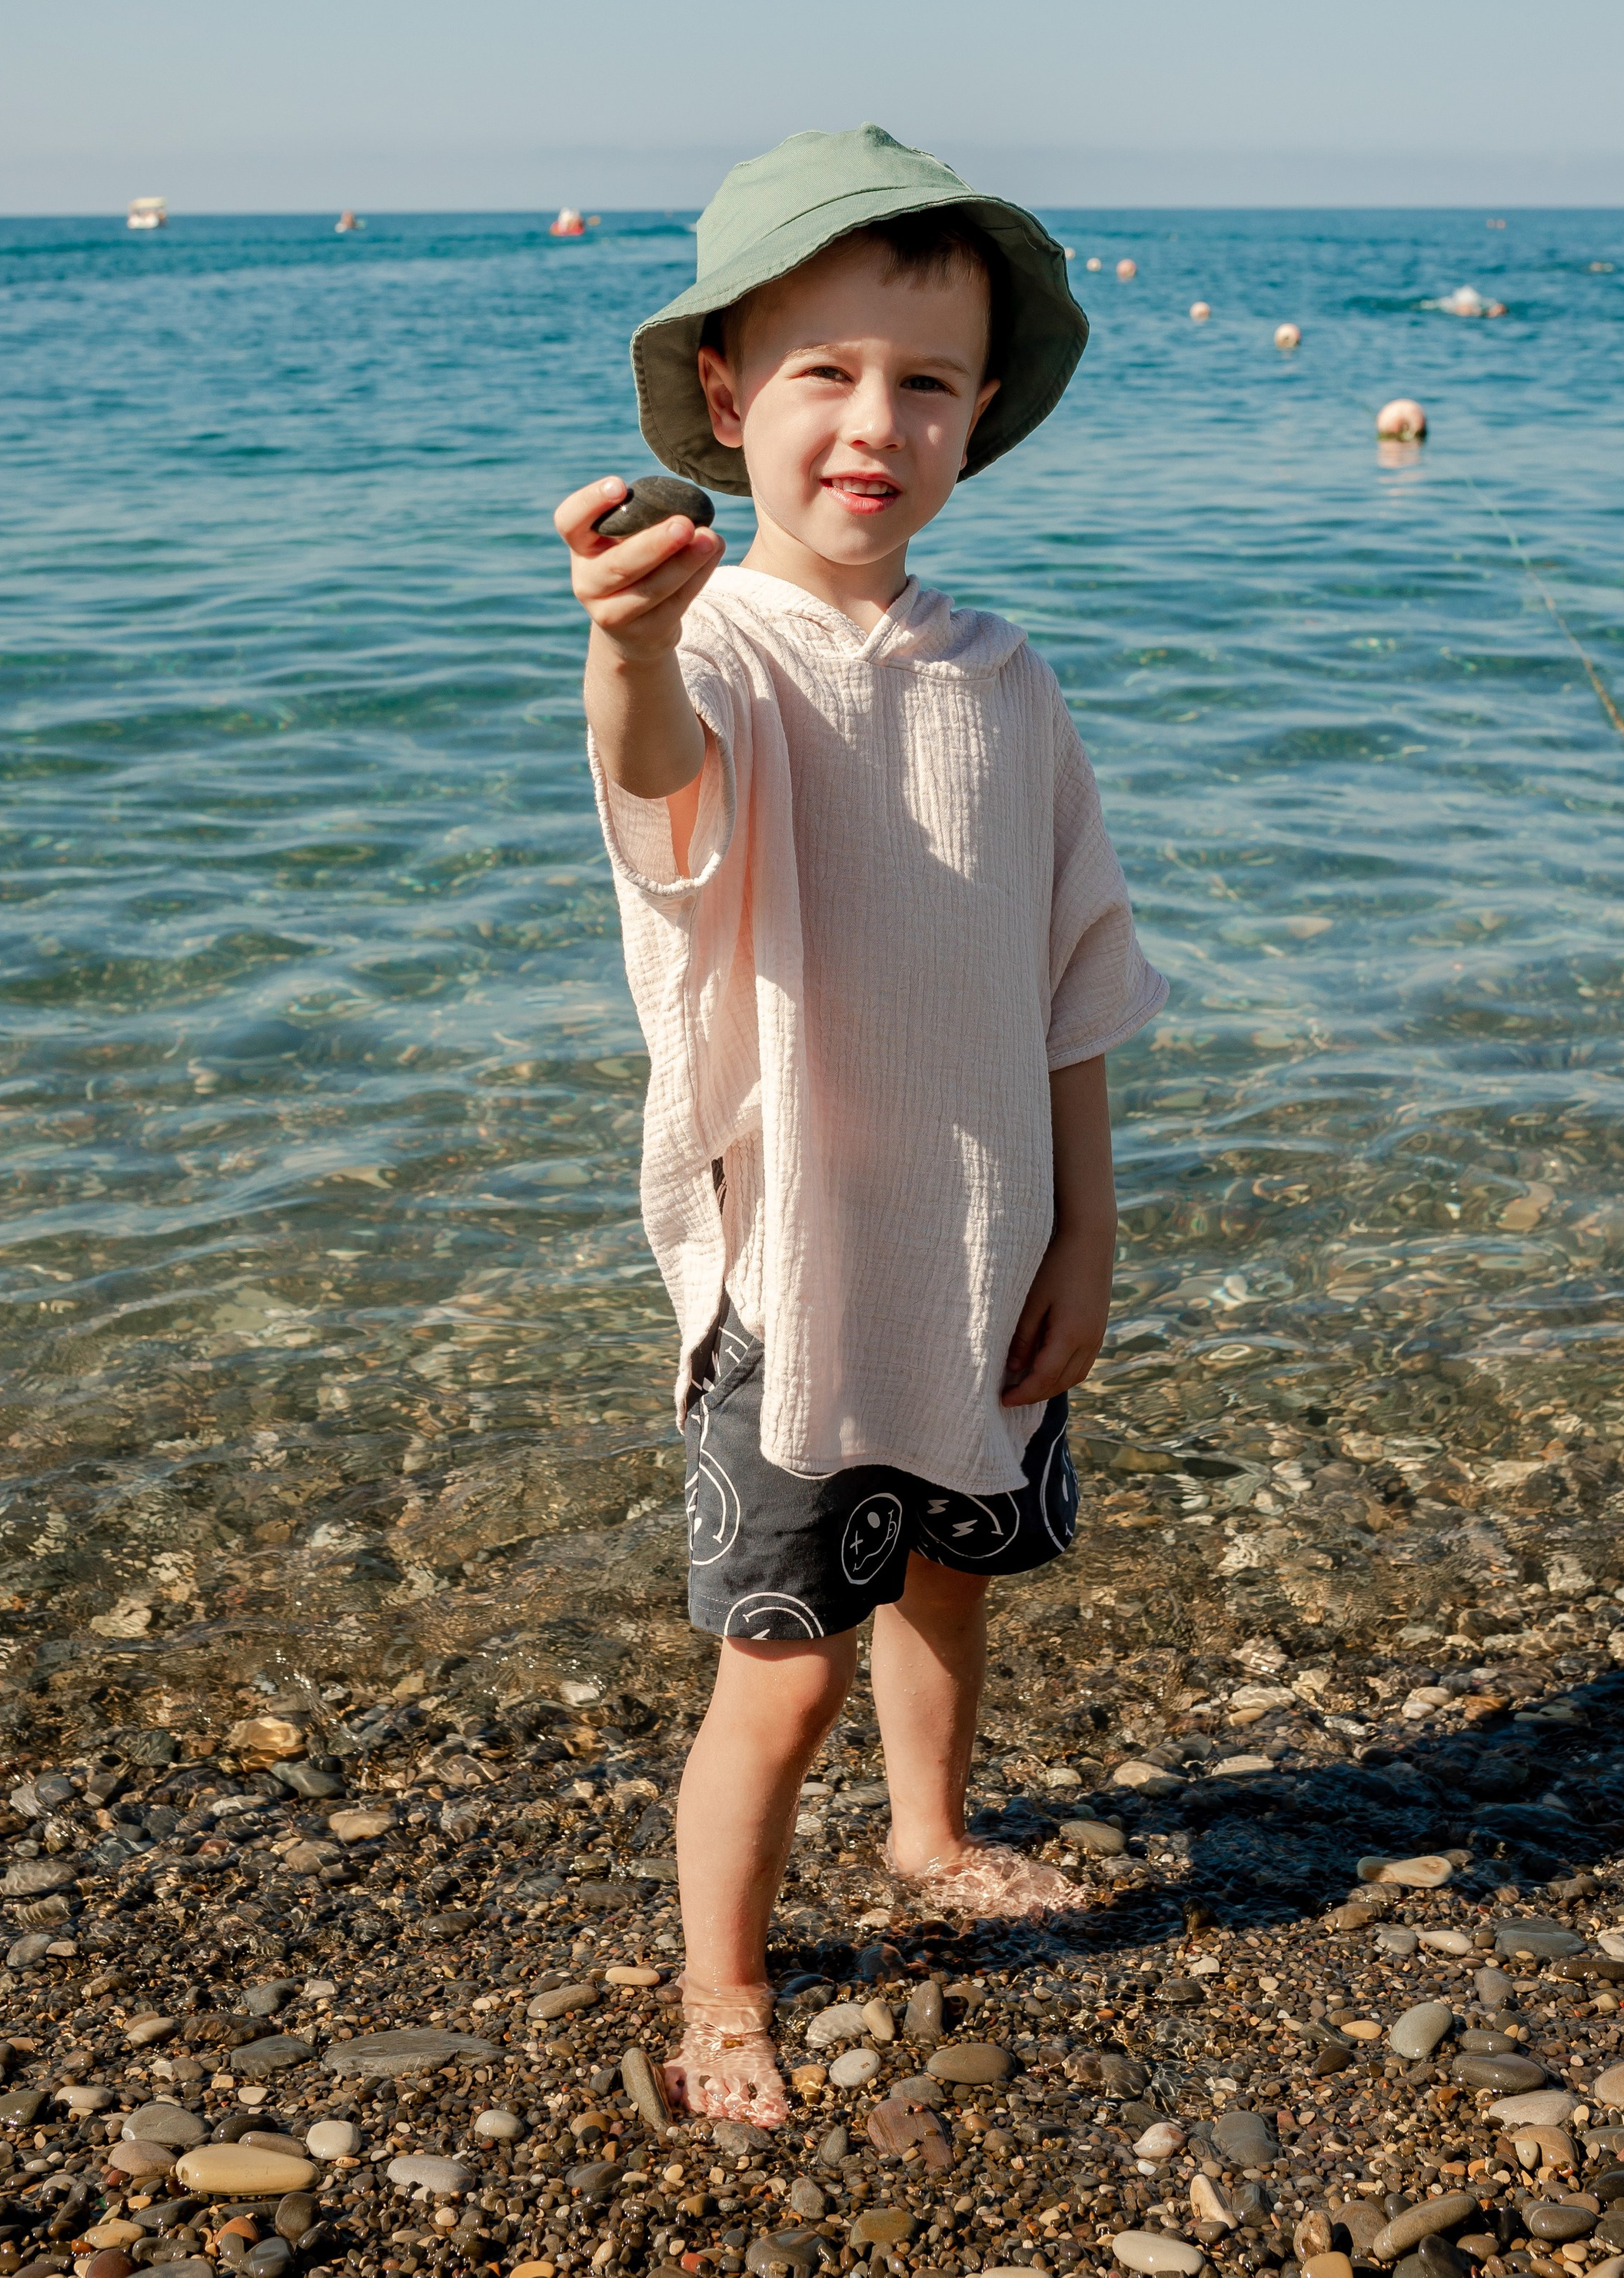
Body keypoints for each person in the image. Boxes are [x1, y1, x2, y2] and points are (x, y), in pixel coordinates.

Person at [554, 125, 1164, 2125]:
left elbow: (1076, 975)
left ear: (980, 414)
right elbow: (664, 787)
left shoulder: (1007, 679)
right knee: (787, 1662)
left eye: (926, 381)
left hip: (983, 1251)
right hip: (796, 1270)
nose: (876, 421)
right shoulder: (718, 649)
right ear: (728, 399)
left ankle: (929, 1833)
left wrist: (1088, 1230)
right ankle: (721, 1983)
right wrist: (628, 641)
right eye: (824, 370)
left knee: (955, 1584)